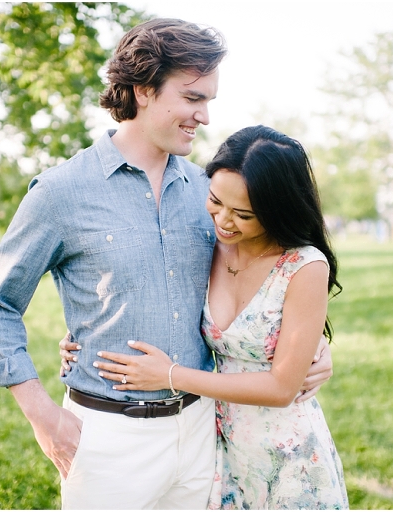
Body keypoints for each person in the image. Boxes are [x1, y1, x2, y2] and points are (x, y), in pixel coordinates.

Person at [0, 18, 333, 510]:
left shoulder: (209, 193)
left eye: (209, 100)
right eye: (192, 97)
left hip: (205, 433)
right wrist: (41, 414)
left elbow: (268, 274)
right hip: (109, 437)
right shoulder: (61, 193)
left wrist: (312, 351)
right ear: (143, 90)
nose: (204, 116)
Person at [93, 125, 349, 509]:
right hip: (223, 452)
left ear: (277, 210)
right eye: (215, 201)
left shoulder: (303, 266)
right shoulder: (208, 243)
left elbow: (282, 389)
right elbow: (148, 288)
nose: (224, 221)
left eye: (243, 214)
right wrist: (86, 335)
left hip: (289, 457)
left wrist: (170, 375)